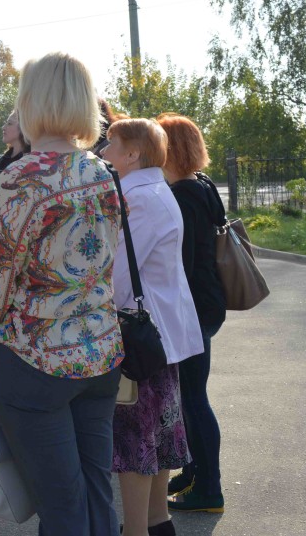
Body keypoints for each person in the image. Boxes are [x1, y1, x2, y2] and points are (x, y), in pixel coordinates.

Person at [0, 52, 123, 535]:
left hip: (35, 360)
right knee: (97, 494)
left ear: (31, 101)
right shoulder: (101, 171)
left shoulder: (22, 177)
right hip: (100, 351)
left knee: (62, 508)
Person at [102, 118, 205, 536]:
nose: (103, 151)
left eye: (111, 144)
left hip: (142, 338)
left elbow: (121, 275)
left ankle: (136, 530)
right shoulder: (155, 189)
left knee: (135, 439)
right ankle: (157, 522)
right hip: (161, 335)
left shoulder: (138, 198)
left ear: (132, 154)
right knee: (158, 434)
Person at [156, 113, 227, 515]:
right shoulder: (202, 185)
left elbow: (179, 263)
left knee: (193, 398)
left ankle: (210, 490)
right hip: (207, 304)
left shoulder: (182, 196)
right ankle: (194, 472)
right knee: (190, 395)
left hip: (193, 310)